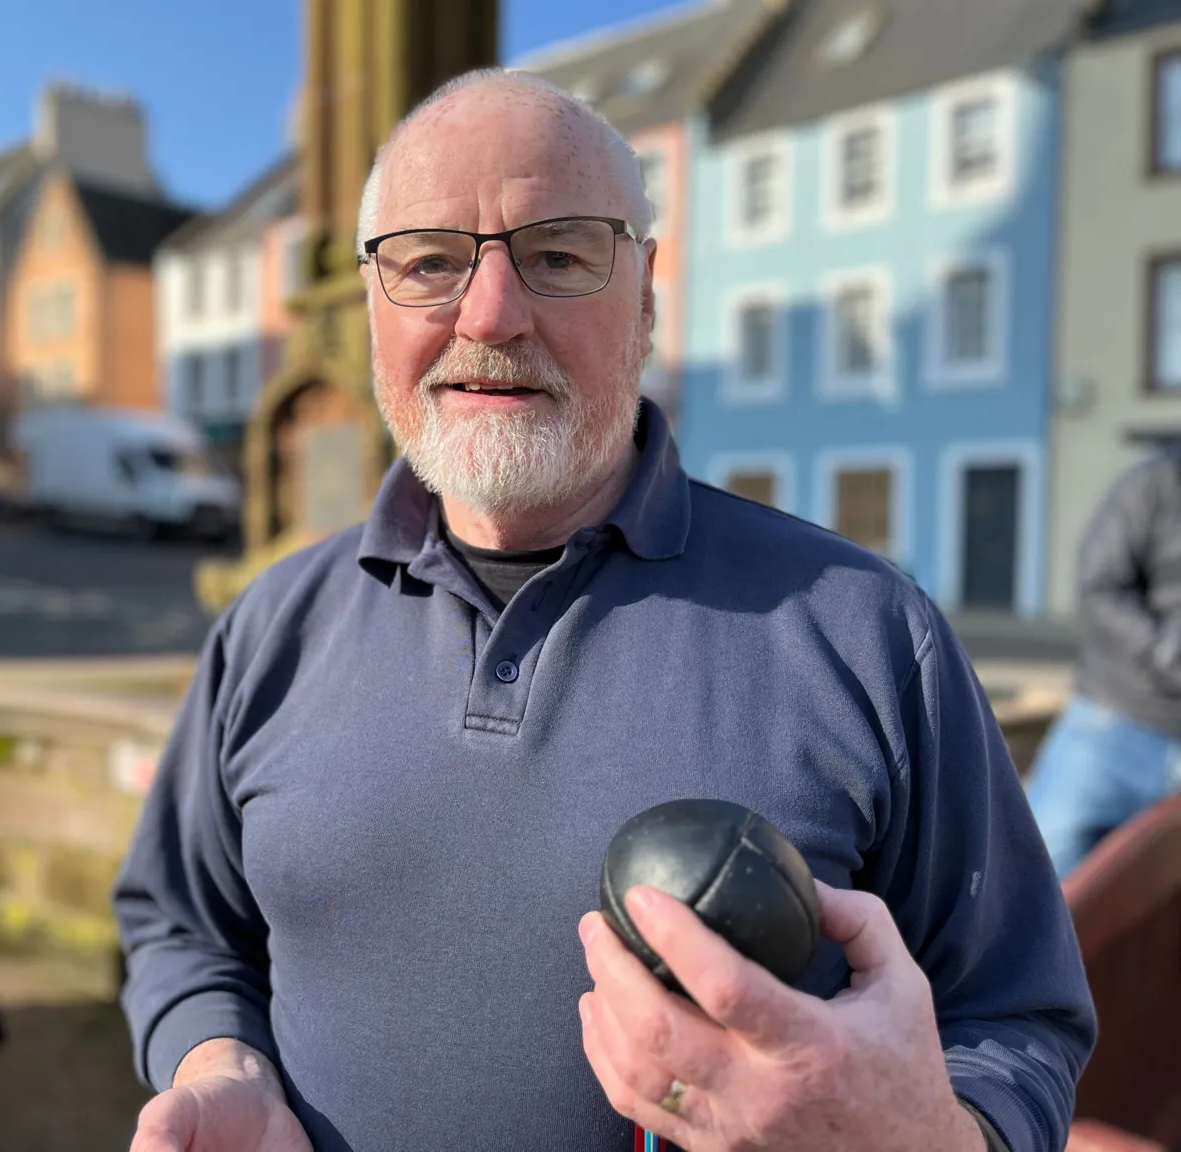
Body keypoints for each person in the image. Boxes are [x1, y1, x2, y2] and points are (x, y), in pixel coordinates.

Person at [113, 70, 1095, 1152]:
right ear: (370, 301)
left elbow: (1017, 1017)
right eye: (430, 261)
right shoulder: (270, 626)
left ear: (647, 297)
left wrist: (920, 1140)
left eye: (561, 254)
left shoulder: (869, 633)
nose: (490, 313)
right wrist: (220, 1063)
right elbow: (181, 925)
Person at [1025, 448, 1181, 877]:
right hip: (1115, 724)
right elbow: (1099, 588)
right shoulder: (1157, 482)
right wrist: (1164, 653)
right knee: (1038, 877)